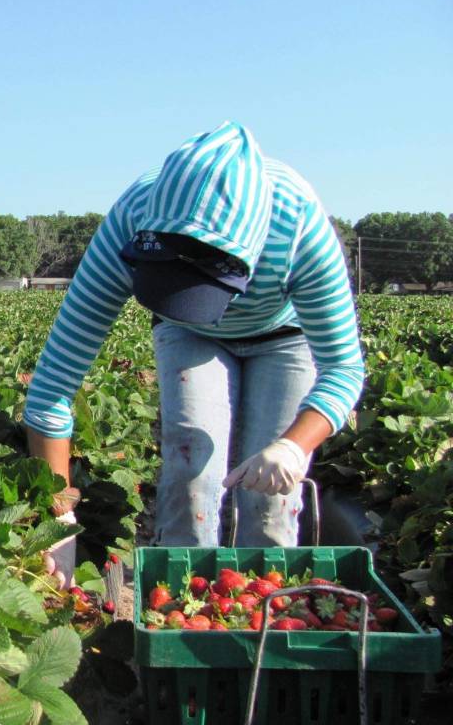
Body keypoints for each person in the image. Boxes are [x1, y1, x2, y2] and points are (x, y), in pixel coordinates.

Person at [24, 122, 365, 548]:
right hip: (186, 335)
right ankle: (179, 600)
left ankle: (265, 606)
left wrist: (294, 447)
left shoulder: (297, 226)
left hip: (284, 335)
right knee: (190, 470)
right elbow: (51, 388)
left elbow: (344, 367)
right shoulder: (131, 221)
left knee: (271, 501)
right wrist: (60, 520)